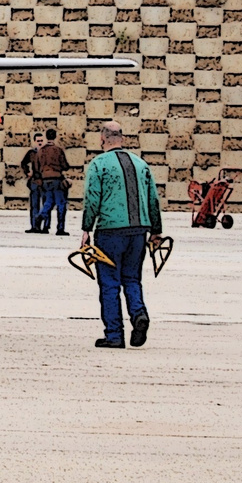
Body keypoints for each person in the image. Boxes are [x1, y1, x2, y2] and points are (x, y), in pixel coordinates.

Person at [80, 120, 162, 348]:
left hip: (109, 231)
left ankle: (115, 335)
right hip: (139, 231)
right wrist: (156, 231)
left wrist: (86, 228)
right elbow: (153, 199)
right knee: (132, 278)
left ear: (102, 139)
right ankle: (138, 313)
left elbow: (92, 198)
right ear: (122, 138)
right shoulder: (141, 164)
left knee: (109, 282)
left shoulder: (99, 164)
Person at [34, 128, 71, 235]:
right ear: (55, 136)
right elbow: (64, 165)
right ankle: (60, 228)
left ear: (46, 137)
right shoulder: (57, 150)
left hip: (45, 180)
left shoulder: (41, 151)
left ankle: (40, 215)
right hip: (56, 179)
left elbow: (36, 167)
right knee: (61, 204)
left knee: (48, 202)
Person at [20, 131, 46, 233]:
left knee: (45, 205)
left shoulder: (46, 152)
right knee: (34, 205)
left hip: (45, 181)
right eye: (38, 141)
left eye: (41, 141)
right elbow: (23, 163)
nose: (40, 143)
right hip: (34, 181)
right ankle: (34, 226)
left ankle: (44, 227)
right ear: (35, 141)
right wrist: (28, 172)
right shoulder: (31, 153)